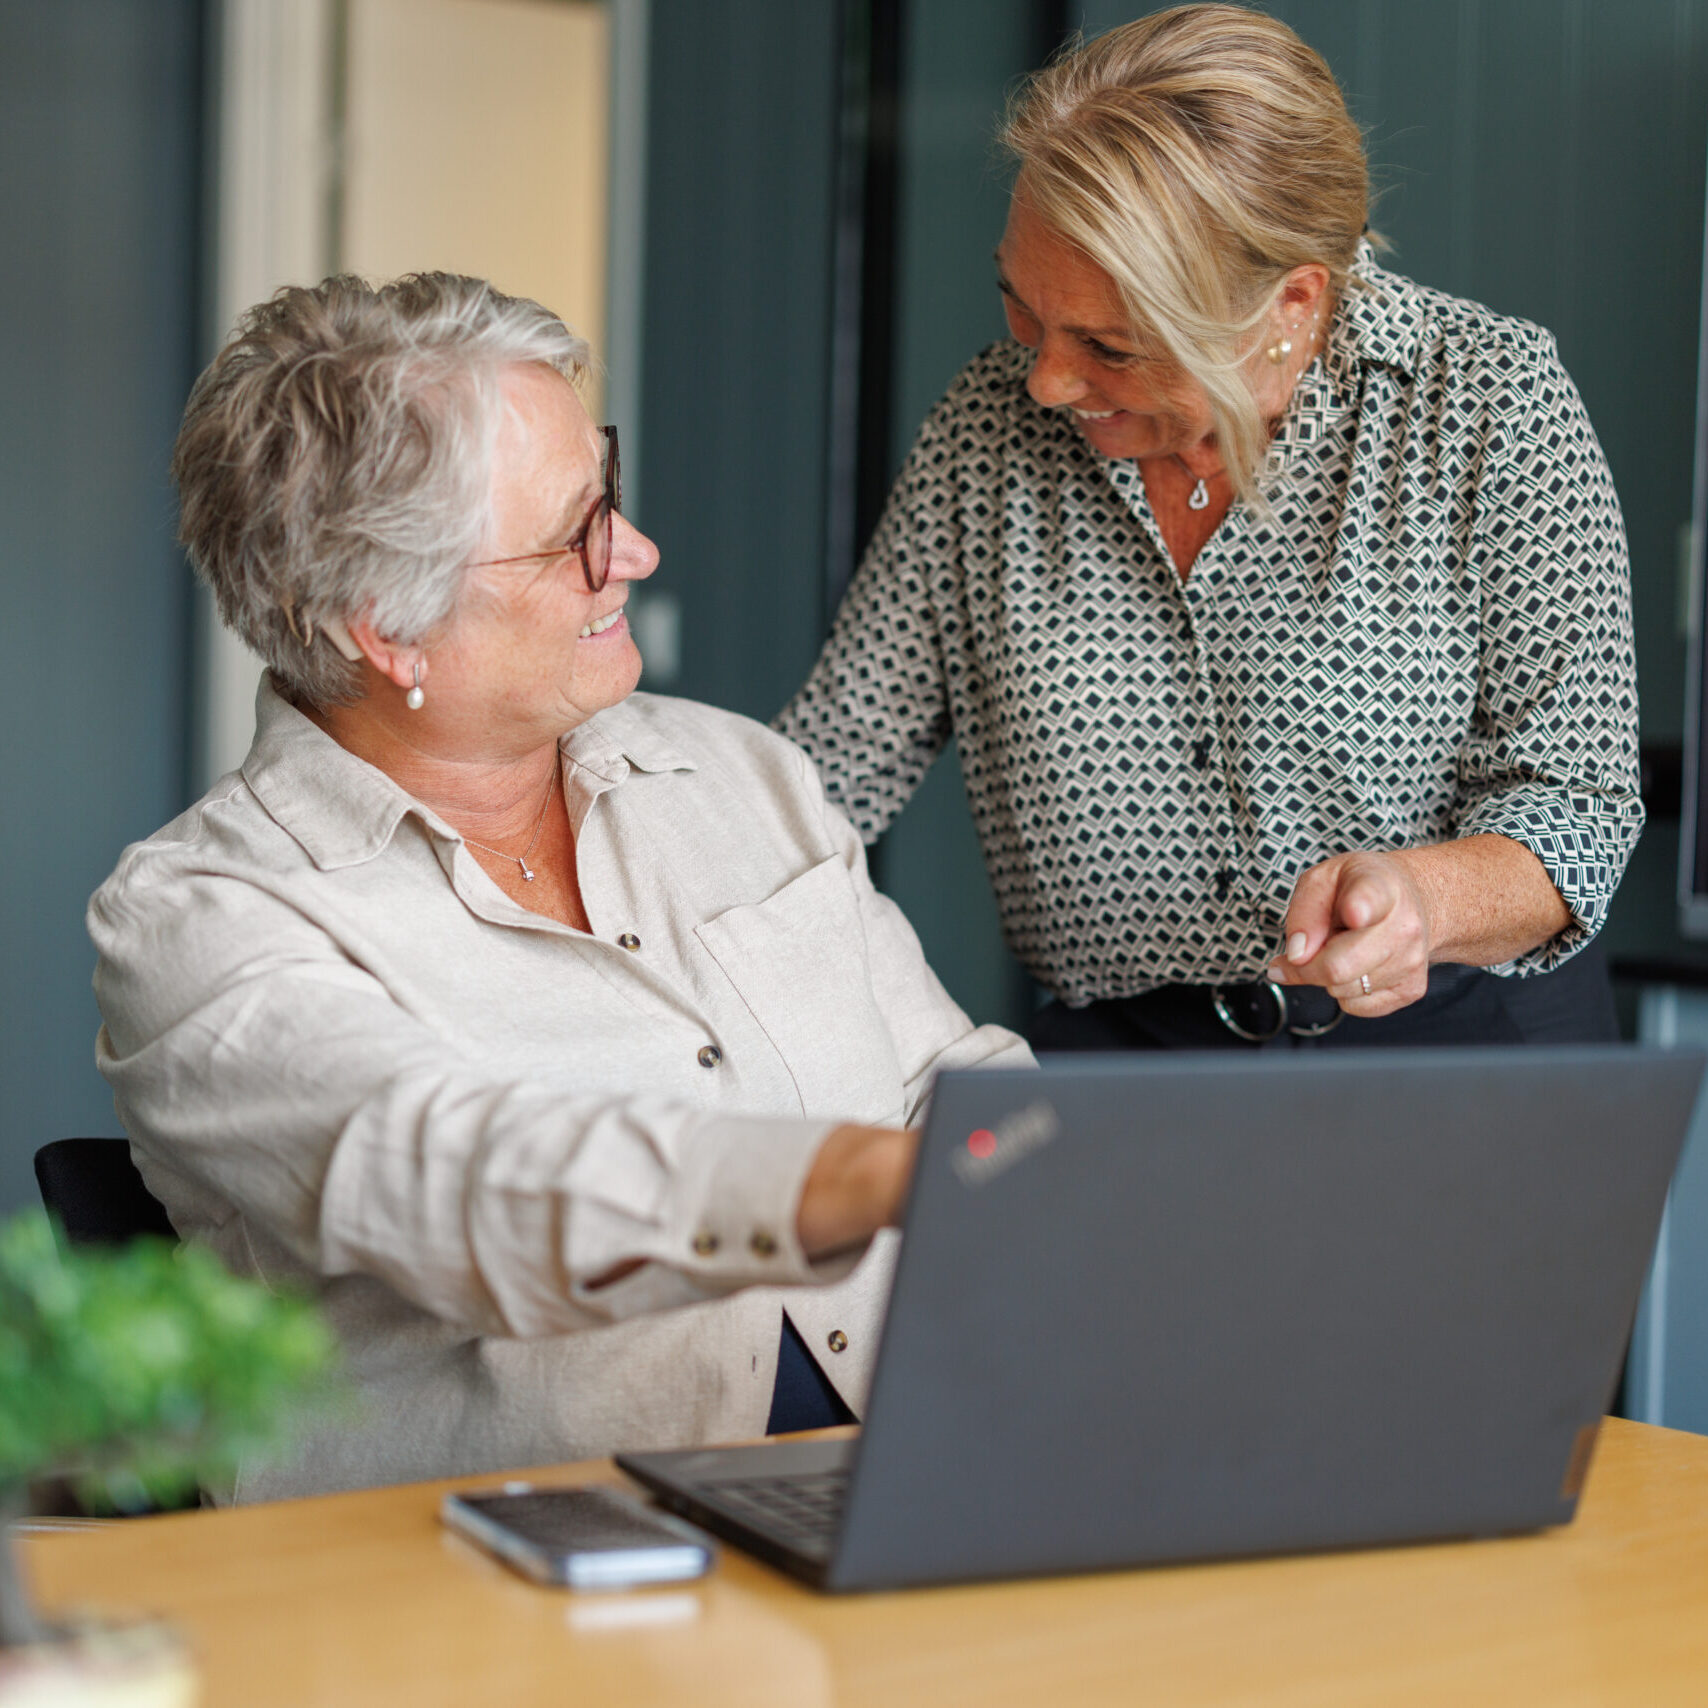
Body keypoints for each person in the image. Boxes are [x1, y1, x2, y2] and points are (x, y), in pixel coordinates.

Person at [88, 273, 1030, 1500]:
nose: (632, 552)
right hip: (502, 1570)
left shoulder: (738, 772)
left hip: (923, 1473)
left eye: (612, 494)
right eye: (573, 532)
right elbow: (469, 1183)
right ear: (387, 626)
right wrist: (840, 1180)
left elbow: (940, 1085)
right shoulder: (200, 921)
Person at [776, 4, 1641, 1052]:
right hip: (1121, 1067)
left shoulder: (1488, 405)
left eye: (1110, 343)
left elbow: (1577, 799)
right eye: (1022, 309)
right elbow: (830, 767)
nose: (1046, 380)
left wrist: (1422, 899)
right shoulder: (986, 431)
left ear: (1291, 305)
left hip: (1457, 1053)